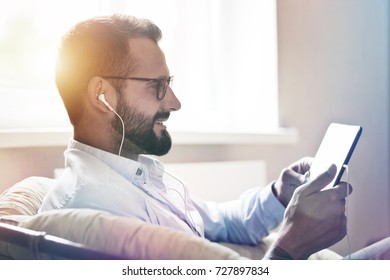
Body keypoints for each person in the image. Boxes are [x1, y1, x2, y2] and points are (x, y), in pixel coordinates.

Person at [39, 14, 390, 260]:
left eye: (169, 84)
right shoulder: (97, 208)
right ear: (102, 94)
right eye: (157, 86)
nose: (174, 102)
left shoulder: (134, 171)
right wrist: (289, 248)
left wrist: (279, 195)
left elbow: (219, 223)